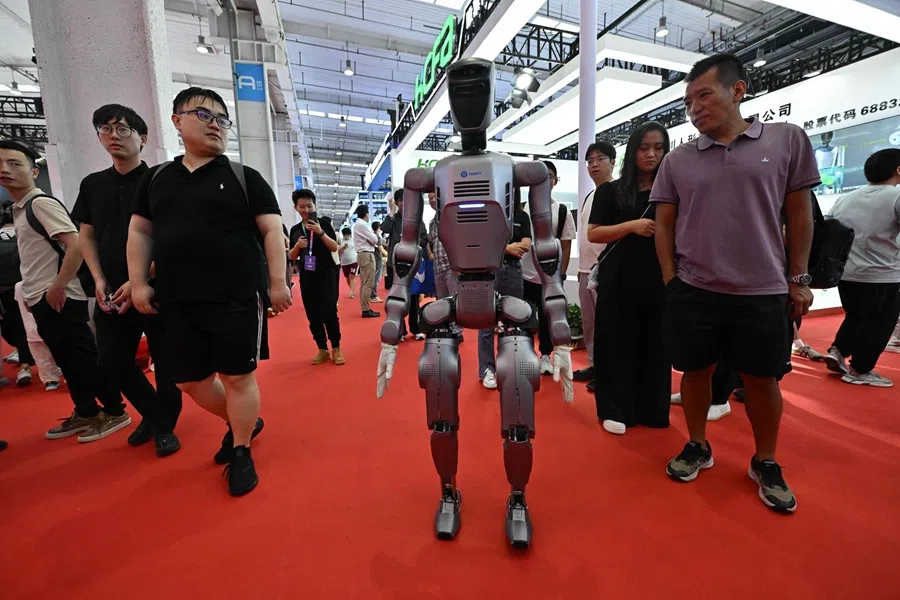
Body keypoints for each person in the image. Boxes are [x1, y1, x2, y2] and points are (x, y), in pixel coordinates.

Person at [652, 54, 820, 513]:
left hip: (763, 289)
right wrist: (672, 280)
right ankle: (698, 445)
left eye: (704, 95)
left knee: (762, 380)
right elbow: (664, 225)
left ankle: (765, 460)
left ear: (738, 91)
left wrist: (799, 279)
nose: (695, 108)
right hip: (695, 289)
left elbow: (799, 215)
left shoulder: (786, 140)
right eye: (688, 101)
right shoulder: (678, 160)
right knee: (694, 372)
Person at [127, 87, 292, 496]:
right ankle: (244, 421)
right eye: (204, 114)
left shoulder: (243, 177)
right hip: (177, 297)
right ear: (177, 120)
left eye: (222, 119)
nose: (216, 124)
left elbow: (273, 230)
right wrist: (137, 281)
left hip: (235, 294)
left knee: (238, 377)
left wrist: (277, 282)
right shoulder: (158, 178)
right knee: (190, 382)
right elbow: (140, 231)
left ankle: (240, 450)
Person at [0, 139, 131, 441]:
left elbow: (76, 244)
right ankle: (86, 411)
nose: (5, 170)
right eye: (1, 164)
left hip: (60, 297)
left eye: (15, 163)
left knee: (83, 358)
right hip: (41, 297)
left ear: (34, 172)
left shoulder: (39, 204)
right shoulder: (19, 209)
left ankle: (114, 410)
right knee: (67, 361)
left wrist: (58, 286)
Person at [73, 104, 183, 457]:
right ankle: (153, 414)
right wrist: (98, 278)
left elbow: (171, 235)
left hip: (156, 288)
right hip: (109, 291)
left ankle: (165, 425)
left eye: (123, 130)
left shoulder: (162, 180)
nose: (114, 136)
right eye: (106, 129)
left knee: (167, 362)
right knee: (112, 361)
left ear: (143, 138)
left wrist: (140, 278)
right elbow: (86, 236)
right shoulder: (92, 185)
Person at [587, 122, 670, 435]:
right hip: (618, 277)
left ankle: (652, 407)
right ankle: (615, 407)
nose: (651, 154)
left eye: (658, 148)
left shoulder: (671, 189)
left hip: (659, 276)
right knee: (616, 343)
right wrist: (632, 226)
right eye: (644, 148)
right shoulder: (611, 190)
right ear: (632, 150)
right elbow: (594, 232)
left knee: (656, 344)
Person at [824, 148, 900, 387]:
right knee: (880, 324)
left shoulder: (846, 198)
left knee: (857, 316)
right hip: (883, 274)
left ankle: (838, 350)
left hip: (847, 273)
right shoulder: (896, 196)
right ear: (898, 170)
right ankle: (860, 369)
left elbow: (830, 230)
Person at [522, 161, 576, 375]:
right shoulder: (522, 209)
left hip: (550, 275)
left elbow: (566, 244)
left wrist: (560, 275)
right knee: (524, 315)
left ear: (555, 181)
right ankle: (524, 354)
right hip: (524, 273)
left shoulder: (561, 211)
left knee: (546, 317)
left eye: (550, 177)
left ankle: (545, 355)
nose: (546, 181)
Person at [478, 189, 532, 389]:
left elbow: (527, 242)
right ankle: (487, 369)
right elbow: (481, 241)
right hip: (489, 270)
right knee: (485, 322)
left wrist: (505, 247)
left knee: (513, 320)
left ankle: (509, 366)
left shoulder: (521, 215)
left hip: (513, 271)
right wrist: (507, 248)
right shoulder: (488, 212)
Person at [574, 141, 616, 391]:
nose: (594, 165)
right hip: (584, 270)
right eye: (590, 161)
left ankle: (610, 373)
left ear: (613, 162)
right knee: (590, 323)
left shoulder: (617, 192)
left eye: (600, 159)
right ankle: (594, 365)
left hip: (606, 270)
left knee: (608, 325)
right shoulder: (591, 195)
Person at [288, 189, 343, 366]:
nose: (306, 209)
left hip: (326, 274)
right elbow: (292, 256)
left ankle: (336, 347)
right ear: (296, 208)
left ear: (315, 206)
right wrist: (297, 246)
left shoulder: (324, 224)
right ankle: (322, 349)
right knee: (312, 314)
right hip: (307, 276)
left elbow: (334, 247)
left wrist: (320, 233)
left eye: (309, 206)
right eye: (301, 206)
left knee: (329, 312)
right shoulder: (295, 230)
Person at [0, 201, 37, 387]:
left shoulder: (24, 232)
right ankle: (26, 362)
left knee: (13, 327)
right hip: (25, 287)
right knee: (28, 327)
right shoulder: (24, 233)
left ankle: (24, 361)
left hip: (10, 290)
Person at [426, 192, 462, 339]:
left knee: (455, 299)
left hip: (451, 266)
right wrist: (430, 254)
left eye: (434, 197)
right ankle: (445, 327)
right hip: (438, 267)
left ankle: (457, 332)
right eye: (429, 199)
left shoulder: (451, 217)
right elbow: (430, 241)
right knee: (441, 300)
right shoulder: (432, 223)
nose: (432, 200)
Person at [352, 204, 380, 318]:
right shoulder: (362, 224)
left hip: (363, 254)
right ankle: (366, 309)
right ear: (366, 214)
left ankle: (365, 308)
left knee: (365, 283)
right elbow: (374, 239)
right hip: (366, 254)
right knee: (368, 283)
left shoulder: (358, 224)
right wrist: (373, 238)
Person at [338, 226, 358, 298]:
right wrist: (343, 248)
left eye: (348, 234)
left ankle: (351, 292)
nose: (346, 236)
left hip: (353, 260)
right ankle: (352, 289)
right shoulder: (340, 241)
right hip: (344, 262)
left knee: (352, 276)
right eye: (345, 235)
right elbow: (338, 251)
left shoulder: (353, 240)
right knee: (347, 277)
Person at [370, 220, 385, 304]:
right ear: (378, 227)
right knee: (377, 278)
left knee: (374, 277)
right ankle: (373, 296)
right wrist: (389, 255)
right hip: (378, 259)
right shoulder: (377, 237)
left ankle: (372, 295)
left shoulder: (373, 235)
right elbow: (381, 249)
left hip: (374, 259)